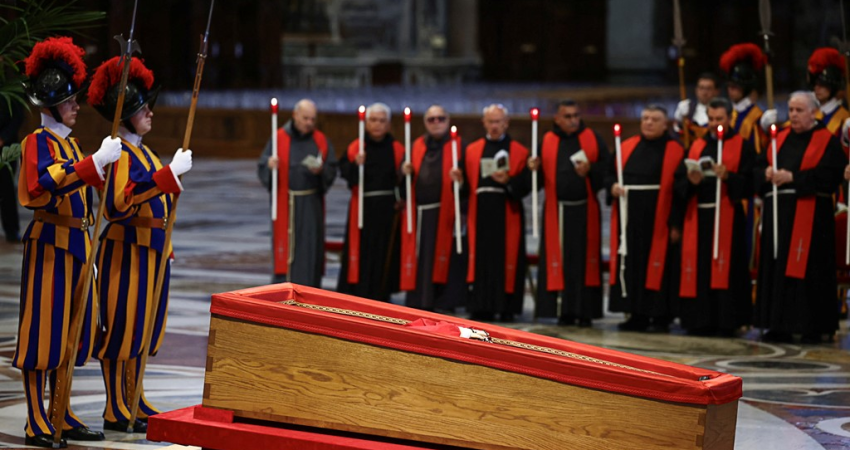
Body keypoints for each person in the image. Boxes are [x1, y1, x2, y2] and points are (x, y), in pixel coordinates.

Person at [13, 36, 122, 447]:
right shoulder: (37, 142)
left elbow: (93, 190)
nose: (77, 106)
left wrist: (103, 167)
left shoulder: (70, 144)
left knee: (72, 332)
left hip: (78, 245)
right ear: (52, 104)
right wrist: (92, 164)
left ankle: (61, 409)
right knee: (43, 332)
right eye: (70, 100)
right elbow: (40, 186)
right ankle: (35, 419)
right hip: (50, 245)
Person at [87, 56, 192, 432]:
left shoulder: (145, 152)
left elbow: (159, 203)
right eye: (143, 108)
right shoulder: (119, 153)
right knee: (122, 326)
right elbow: (117, 204)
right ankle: (115, 405)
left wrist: (167, 247)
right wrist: (167, 176)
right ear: (127, 115)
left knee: (145, 328)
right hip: (126, 250)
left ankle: (134, 396)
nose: (150, 113)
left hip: (152, 249)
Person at [754, 91, 845, 344]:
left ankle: (811, 326)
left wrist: (793, 177)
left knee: (809, 270)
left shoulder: (826, 140)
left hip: (811, 216)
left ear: (813, 112)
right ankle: (777, 324)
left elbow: (831, 175)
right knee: (777, 267)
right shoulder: (779, 138)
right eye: (791, 110)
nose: (793, 115)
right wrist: (766, 172)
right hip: (778, 215)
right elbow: (757, 168)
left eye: (799, 110)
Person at [675, 98, 755, 336]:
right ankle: (699, 320)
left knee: (727, 268)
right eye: (710, 119)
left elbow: (751, 184)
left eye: (719, 119)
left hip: (728, 216)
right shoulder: (697, 145)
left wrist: (729, 176)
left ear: (730, 118)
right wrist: (692, 181)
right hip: (699, 218)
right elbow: (679, 184)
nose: (714, 124)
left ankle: (727, 321)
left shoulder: (742, 146)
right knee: (699, 269)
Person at [528, 100, 608, 327]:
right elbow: (536, 180)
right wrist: (532, 168)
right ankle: (562, 311)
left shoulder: (592, 138)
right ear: (557, 119)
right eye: (568, 116)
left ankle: (584, 312)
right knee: (560, 262)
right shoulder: (547, 140)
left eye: (576, 115)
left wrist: (591, 170)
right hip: (557, 211)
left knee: (583, 262)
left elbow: (608, 169)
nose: (573, 120)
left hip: (585, 210)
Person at [606, 105, 684, 332]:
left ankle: (660, 317)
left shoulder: (675, 150)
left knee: (661, 267)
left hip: (660, 219)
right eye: (645, 118)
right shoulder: (626, 147)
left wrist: (676, 224)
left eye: (654, 119)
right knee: (632, 265)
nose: (649, 123)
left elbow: (680, 190)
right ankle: (636, 314)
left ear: (665, 124)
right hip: (630, 219)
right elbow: (609, 175)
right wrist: (612, 187)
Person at [456, 104, 531, 322]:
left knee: (506, 258)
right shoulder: (472, 150)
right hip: (479, 212)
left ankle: (506, 307)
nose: (495, 126)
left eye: (498, 121)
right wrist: (459, 181)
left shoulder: (519, 151)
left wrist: (508, 181)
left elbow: (525, 186)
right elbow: (464, 189)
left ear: (506, 123)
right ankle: (480, 306)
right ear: (484, 123)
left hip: (507, 211)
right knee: (480, 259)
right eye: (491, 121)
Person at [258, 99, 337, 287]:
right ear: (295, 116)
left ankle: (309, 292)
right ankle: (283, 293)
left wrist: (321, 171)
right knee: (285, 252)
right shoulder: (279, 138)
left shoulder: (320, 140)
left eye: (313, 119)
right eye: (305, 118)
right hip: (286, 203)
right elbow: (263, 167)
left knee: (310, 250)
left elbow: (332, 169)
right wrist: (270, 166)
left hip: (310, 206)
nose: (309, 123)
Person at [400, 105, 465, 311]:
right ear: (425, 123)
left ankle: (443, 302)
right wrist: (405, 172)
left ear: (448, 120)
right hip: (420, 213)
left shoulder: (459, 146)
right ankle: (419, 299)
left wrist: (460, 180)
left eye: (440, 118)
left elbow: (469, 183)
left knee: (445, 258)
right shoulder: (416, 146)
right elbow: (402, 186)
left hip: (446, 213)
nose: (436, 123)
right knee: (421, 259)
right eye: (431, 119)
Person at [337, 103, 404, 301]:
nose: (377, 125)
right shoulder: (356, 148)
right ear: (366, 123)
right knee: (361, 253)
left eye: (382, 121)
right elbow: (347, 175)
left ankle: (382, 294)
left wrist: (405, 175)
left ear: (389, 124)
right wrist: (355, 165)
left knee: (384, 252)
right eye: (373, 120)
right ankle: (357, 294)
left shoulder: (397, 149)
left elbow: (402, 183)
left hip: (387, 210)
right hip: (363, 208)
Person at [763, 48, 850, 138]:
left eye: (822, 84)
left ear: (833, 86)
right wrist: (767, 128)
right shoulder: (811, 112)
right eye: (814, 83)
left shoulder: (844, 119)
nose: (817, 87)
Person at [719, 43, 768, 151]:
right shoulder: (726, 112)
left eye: (735, 87)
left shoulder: (757, 117)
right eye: (729, 86)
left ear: (745, 88)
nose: (731, 90)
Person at [0, 96, 24, 243]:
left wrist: (3, 138)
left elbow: (18, 117)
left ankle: (11, 230)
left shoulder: (10, 91)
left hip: (6, 148)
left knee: (6, 188)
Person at [673, 73, 721, 144]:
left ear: (717, 91)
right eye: (701, 88)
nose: (704, 92)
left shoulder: (722, 110)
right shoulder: (689, 108)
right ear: (696, 90)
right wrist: (679, 120)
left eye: (708, 89)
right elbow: (677, 133)